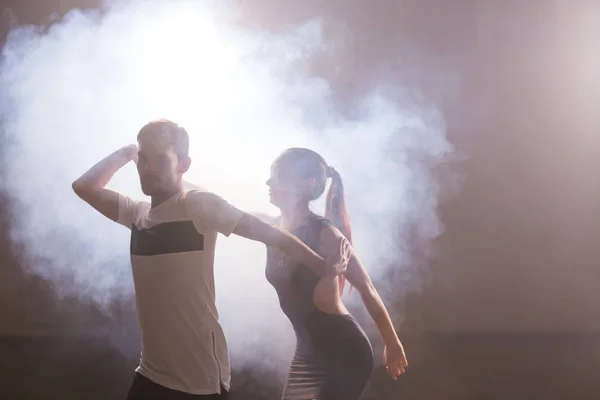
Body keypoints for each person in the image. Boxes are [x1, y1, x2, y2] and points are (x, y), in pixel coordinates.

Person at [71, 120, 349, 400]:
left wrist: (321, 266)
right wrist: (127, 152)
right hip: (151, 372)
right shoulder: (137, 215)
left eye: (159, 159)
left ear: (183, 164)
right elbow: (84, 186)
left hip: (198, 381)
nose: (148, 168)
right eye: (143, 159)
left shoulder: (197, 205)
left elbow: (270, 234)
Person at [261, 148, 408, 400]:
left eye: (280, 176)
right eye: (271, 175)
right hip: (307, 353)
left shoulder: (326, 235)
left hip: (344, 351)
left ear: (309, 185)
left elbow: (367, 288)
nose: (269, 182)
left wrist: (393, 344)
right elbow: (226, 211)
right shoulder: (269, 227)